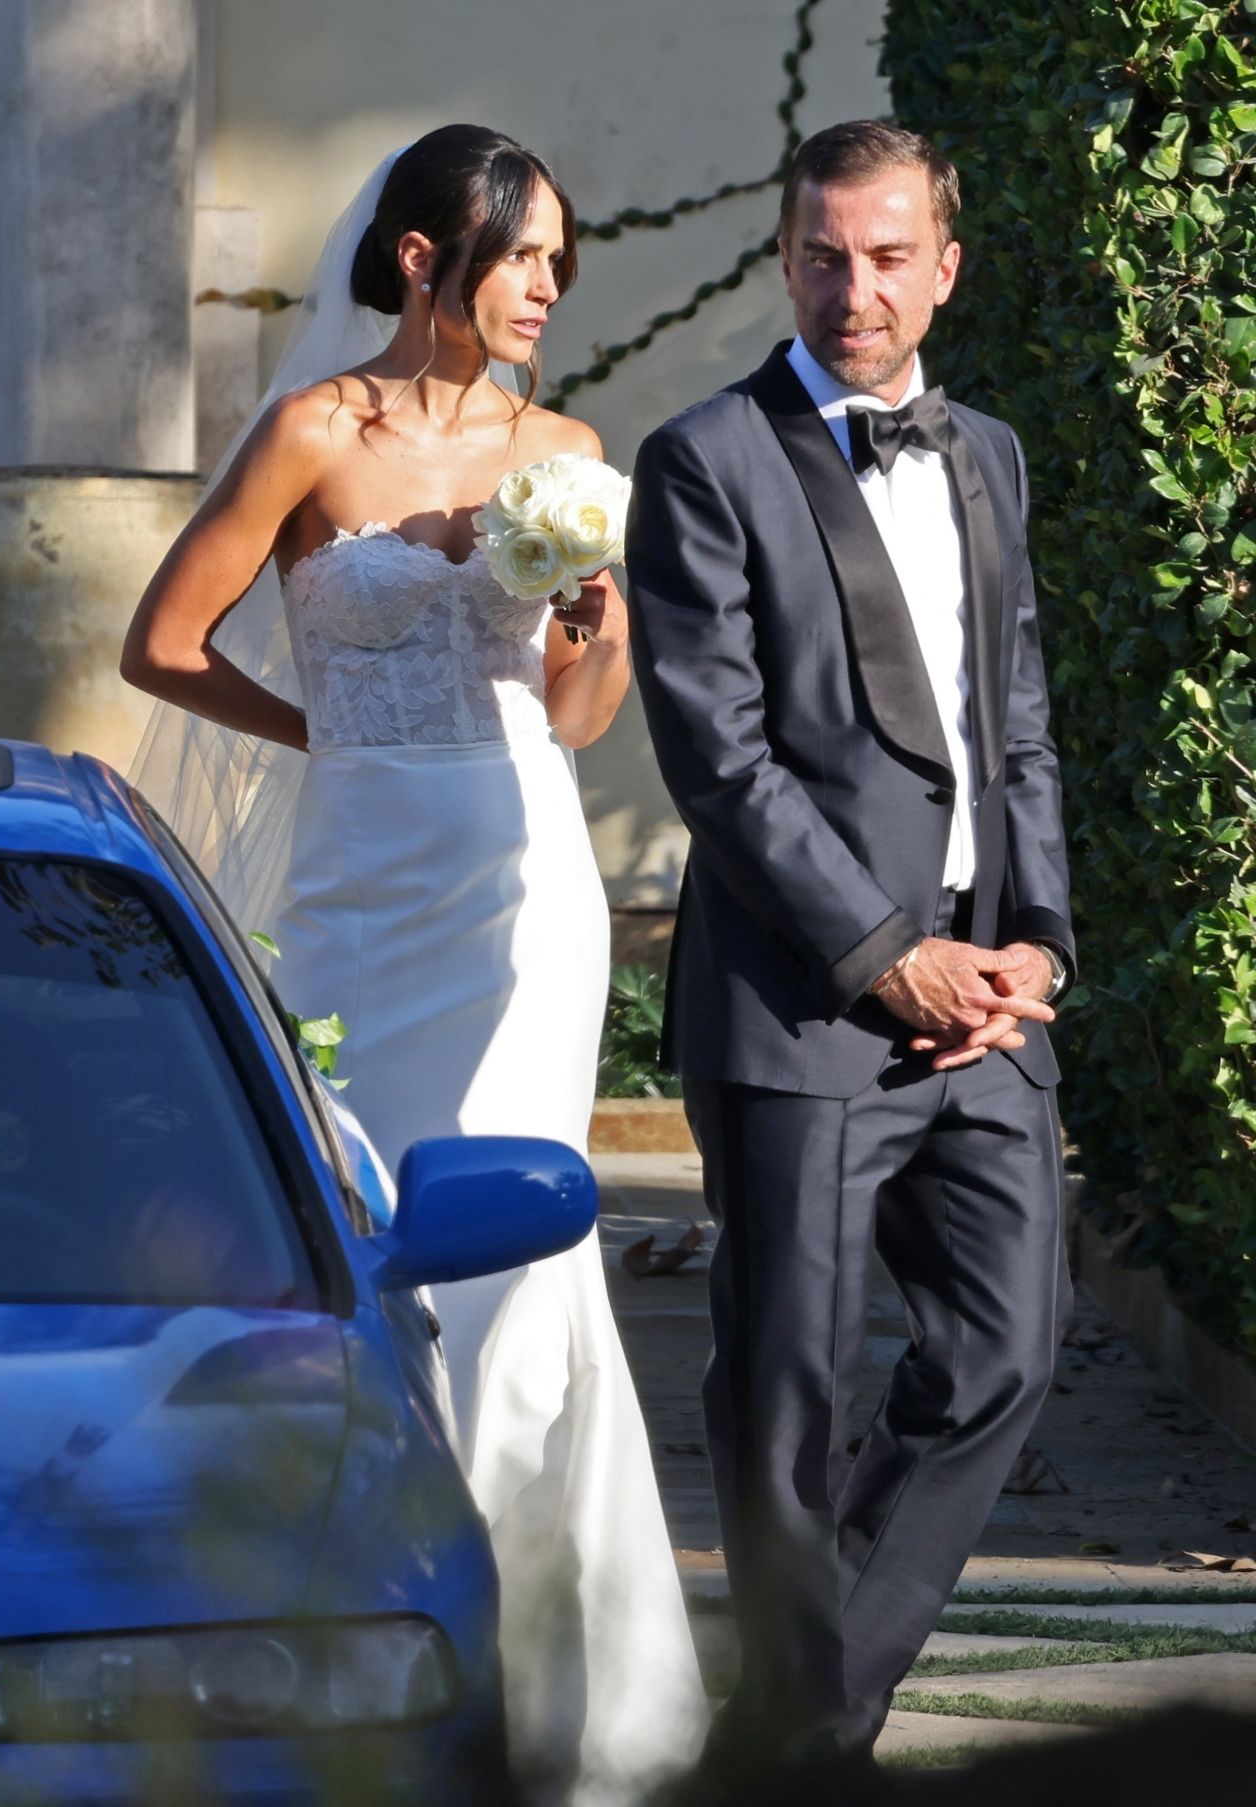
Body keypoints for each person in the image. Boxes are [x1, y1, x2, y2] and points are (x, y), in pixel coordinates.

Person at [122, 126, 706, 1807]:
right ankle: (361, 1630)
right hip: (365, 871)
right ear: (419, 263)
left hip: (526, 878)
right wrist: (327, 732)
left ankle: (552, 1684)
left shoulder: (571, 452)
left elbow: (578, 720)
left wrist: (589, 636)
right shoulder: (314, 432)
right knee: (375, 1226)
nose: (546, 292)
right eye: (524, 258)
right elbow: (160, 642)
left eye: (556, 266)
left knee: (527, 1260)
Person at [625, 120, 1075, 1783]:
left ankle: (797, 1717)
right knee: (789, 1393)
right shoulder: (705, 458)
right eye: (825, 254)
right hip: (806, 1008)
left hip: (989, 1001)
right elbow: (719, 755)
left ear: (944, 269)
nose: (855, 288)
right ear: (785, 258)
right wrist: (889, 955)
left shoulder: (993, 455)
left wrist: (1034, 946)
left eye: (889, 257)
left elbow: (1014, 717)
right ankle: (810, 1748)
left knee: (1005, 1357)